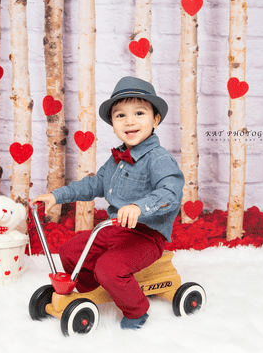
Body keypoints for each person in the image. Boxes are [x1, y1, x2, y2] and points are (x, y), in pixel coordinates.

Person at [32, 76, 184, 330]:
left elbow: (171, 193)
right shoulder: (116, 160)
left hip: (146, 236)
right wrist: (55, 196)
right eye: (120, 115)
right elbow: (92, 185)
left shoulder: (159, 159)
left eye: (139, 113)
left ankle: (137, 310)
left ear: (155, 120)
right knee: (70, 250)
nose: (130, 121)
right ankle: (95, 290)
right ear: (113, 123)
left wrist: (138, 207)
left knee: (108, 266)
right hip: (115, 229)